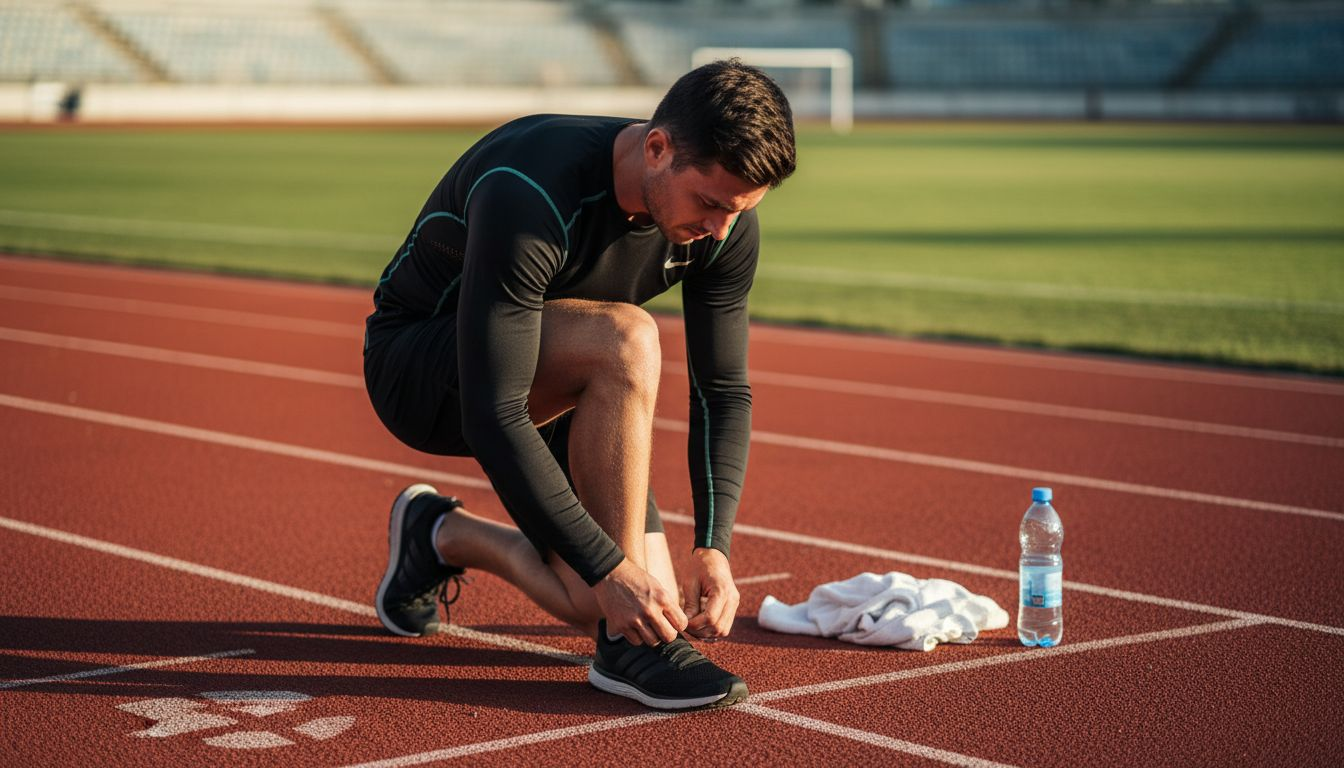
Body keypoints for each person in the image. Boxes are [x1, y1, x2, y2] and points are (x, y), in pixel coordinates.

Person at [363, 59, 796, 711]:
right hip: (424, 369)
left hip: (561, 376)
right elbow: (493, 408)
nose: (720, 231)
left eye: (738, 212)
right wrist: (612, 569)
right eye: (709, 204)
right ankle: (625, 651)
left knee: (621, 600)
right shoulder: (532, 185)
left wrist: (714, 543)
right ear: (657, 148)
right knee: (627, 338)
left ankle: (437, 535)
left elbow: (722, 389)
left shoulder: (722, 221)